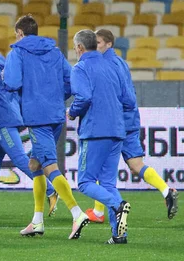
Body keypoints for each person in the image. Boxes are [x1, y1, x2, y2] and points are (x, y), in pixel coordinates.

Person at [3, 15, 88, 239]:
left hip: (36, 116)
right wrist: (55, 97)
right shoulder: (55, 51)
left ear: (20, 33)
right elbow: (70, 81)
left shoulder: (17, 52)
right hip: (56, 114)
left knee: (49, 165)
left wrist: (5, 77)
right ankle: (37, 221)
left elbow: (11, 83)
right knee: (35, 163)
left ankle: (77, 213)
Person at [87, 29, 178, 222]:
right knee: (136, 165)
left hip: (115, 121)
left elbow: (120, 96)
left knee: (99, 162)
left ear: (109, 44)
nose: (96, 46)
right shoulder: (120, 62)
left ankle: (99, 212)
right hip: (130, 120)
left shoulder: (104, 64)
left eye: (99, 43)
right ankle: (165, 190)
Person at [0, 33, 59, 218]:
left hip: (4, 121)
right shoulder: (4, 64)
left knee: (21, 160)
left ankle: (50, 190)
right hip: (9, 117)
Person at [68, 29, 134, 244]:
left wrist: (72, 112)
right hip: (117, 130)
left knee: (85, 182)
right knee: (107, 184)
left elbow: (84, 97)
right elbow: (129, 100)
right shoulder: (114, 64)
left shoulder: (81, 68)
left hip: (96, 130)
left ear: (79, 47)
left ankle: (117, 206)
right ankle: (119, 235)